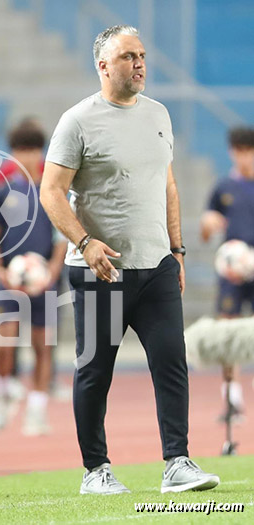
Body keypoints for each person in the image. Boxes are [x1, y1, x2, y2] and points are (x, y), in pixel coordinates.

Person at [40, 25, 220, 494]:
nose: (139, 63)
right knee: (96, 371)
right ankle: (95, 471)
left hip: (156, 266)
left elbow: (169, 186)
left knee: (171, 362)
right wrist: (85, 243)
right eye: (128, 57)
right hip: (100, 271)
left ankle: (177, 463)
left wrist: (177, 251)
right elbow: (51, 192)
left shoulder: (159, 114)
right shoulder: (77, 121)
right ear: (103, 66)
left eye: (141, 55)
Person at [0, 119, 67, 436]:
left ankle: (36, 410)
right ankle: (2, 393)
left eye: (32, 150)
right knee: (5, 340)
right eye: (21, 151)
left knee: (42, 345)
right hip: (10, 279)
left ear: (41, 152)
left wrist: (51, 273)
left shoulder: (53, 192)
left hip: (44, 281)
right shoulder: (2, 193)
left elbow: (62, 240)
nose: (27, 157)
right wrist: (0, 271)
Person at [201, 126, 254, 423]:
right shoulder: (223, 187)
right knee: (228, 331)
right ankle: (232, 400)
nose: (242, 156)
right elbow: (207, 229)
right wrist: (209, 224)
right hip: (232, 271)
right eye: (237, 150)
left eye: (247, 150)